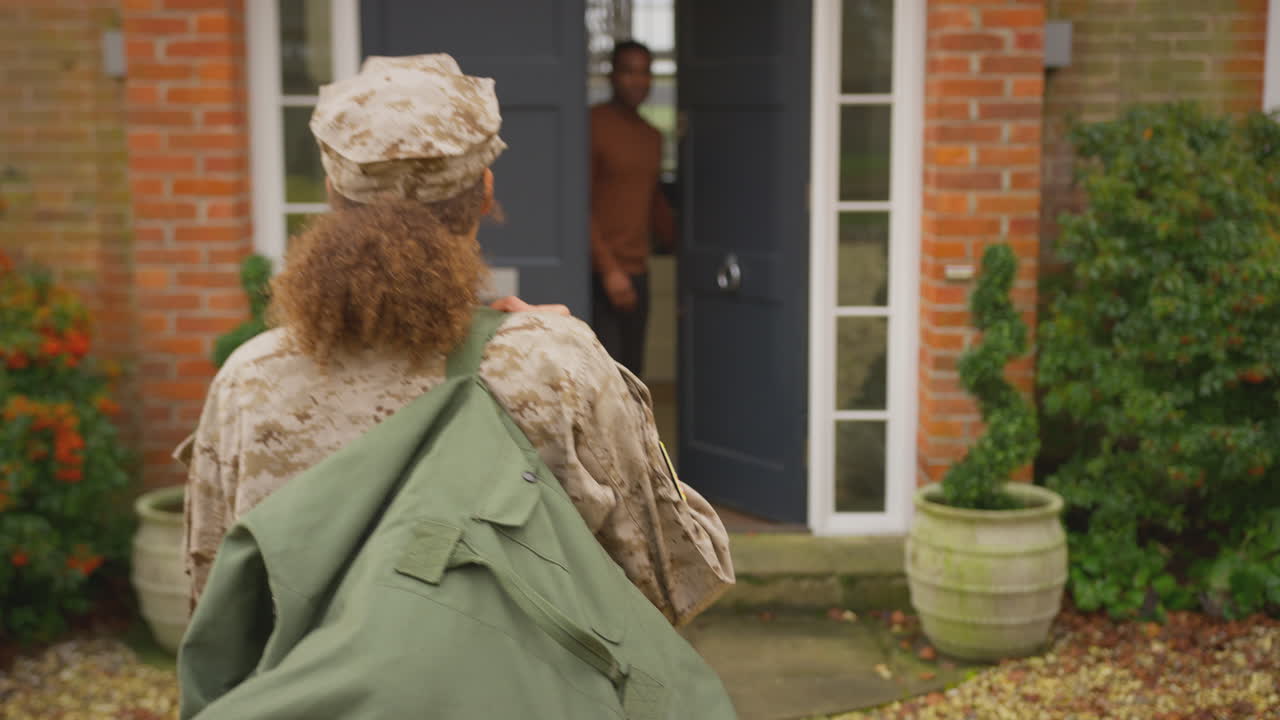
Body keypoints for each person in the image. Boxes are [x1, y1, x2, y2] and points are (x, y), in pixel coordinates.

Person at [177, 53, 733, 627]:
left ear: (332, 191)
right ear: (486, 189)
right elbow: (675, 582)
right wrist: (588, 365)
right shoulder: (554, 365)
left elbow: (212, 608)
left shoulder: (248, 381)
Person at [590, 39, 676, 377]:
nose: (637, 81)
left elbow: (652, 198)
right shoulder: (592, 125)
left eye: (644, 73)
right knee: (603, 375)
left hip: (638, 271)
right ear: (612, 76)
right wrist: (609, 269)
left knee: (633, 372)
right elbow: (578, 204)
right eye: (628, 71)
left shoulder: (652, 136)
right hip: (599, 274)